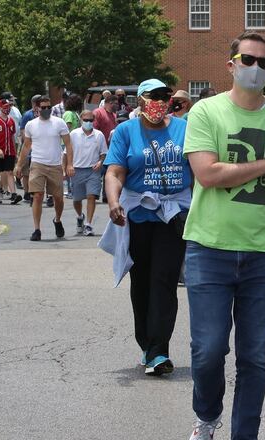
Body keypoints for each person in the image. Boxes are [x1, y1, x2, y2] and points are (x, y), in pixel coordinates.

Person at [183, 31, 265, 440]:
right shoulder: (206, 112)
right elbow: (208, 173)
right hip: (209, 249)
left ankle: (245, 434)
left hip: (262, 254)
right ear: (231, 63)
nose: (255, 68)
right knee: (208, 351)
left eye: (264, 63)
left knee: (254, 357)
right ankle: (207, 414)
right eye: (247, 60)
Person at [101, 79, 191, 376]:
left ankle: (159, 350)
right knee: (141, 282)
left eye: (166, 96)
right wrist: (114, 201)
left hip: (173, 216)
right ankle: (146, 343)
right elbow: (114, 171)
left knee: (164, 282)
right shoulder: (126, 131)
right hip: (138, 216)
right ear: (140, 100)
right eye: (155, 96)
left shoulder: (183, 128)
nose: (161, 101)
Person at [16, 96, 74, 241]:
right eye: (44, 107)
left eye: (49, 107)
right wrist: (19, 164)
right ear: (37, 108)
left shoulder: (59, 123)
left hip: (55, 164)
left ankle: (57, 219)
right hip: (37, 164)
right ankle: (37, 229)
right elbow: (26, 146)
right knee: (37, 196)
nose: (47, 110)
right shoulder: (31, 125)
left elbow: (68, 144)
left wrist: (69, 164)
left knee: (58, 198)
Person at [70, 110, 108, 236]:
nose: (88, 122)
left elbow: (104, 153)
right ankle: (80, 216)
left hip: (93, 171)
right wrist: (67, 167)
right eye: (86, 120)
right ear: (81, 119)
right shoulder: (74, 134)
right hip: (77, 170)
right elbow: (67, 153)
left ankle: (88, 224)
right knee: (77, 199)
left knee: (91, 196)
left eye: (91, 120)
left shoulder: (99, 135)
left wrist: (100, 162)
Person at [0, 96, 20, 204]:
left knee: (10, 172)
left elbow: (12, 137)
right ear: (0, 107)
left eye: (9, 106)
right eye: (5, 107)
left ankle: (14, 194)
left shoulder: (11, 121)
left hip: (9, 150)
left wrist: (14, 152)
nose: (8, 109)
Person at [18, 95, 42, 204]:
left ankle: (35, 192)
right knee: (26, 172)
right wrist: (29, 144)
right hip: (29, 148)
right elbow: (23, 131)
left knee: (36, 172)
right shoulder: (28, 115)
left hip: (39, 148)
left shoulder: (43, 114)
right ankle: (27, 192)